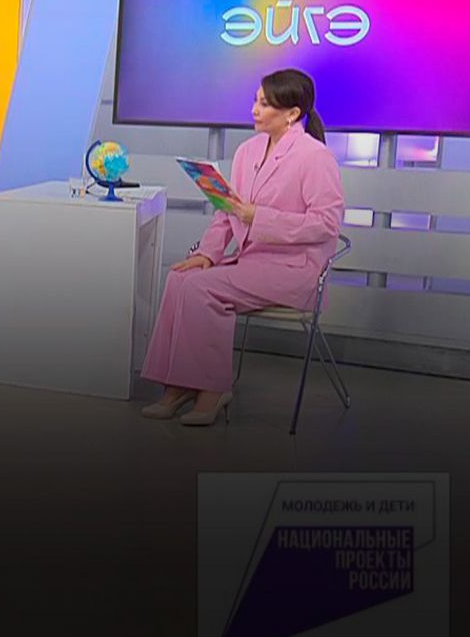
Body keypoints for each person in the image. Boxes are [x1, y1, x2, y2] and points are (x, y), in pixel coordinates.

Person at [139, 68, 345, 426]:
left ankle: (211, 390)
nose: (254, 110)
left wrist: (259, 217)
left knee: (203, 290)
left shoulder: (315, 157)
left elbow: (326, 223)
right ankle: (178, 385)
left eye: (265, 104)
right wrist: (207, 254)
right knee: (179, 279)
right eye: (255, 100)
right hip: (251, 263)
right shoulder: (247, 151)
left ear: (292, 113)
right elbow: (227, 212)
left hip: (294, 270)